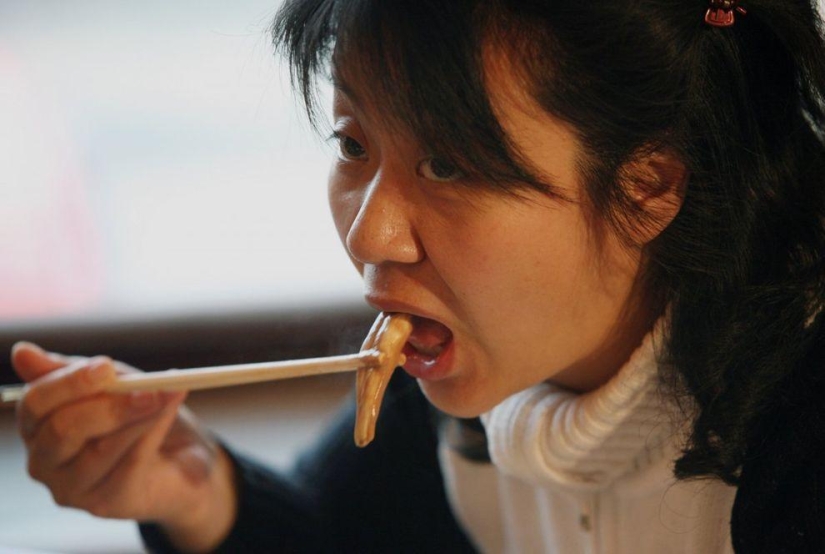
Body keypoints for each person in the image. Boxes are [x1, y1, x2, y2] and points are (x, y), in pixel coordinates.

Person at [10, 0, 825, 552]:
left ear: (649, 187)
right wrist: (194, 493)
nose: (371, 234)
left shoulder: (795, 440)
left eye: (446, 164)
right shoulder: (454, 378)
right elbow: (344, 533)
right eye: (352, 144)